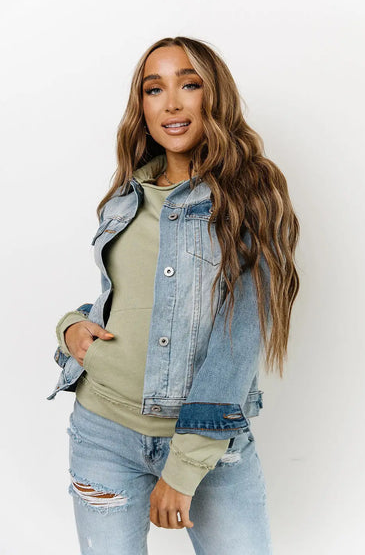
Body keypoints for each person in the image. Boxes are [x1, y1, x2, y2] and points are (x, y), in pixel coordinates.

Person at [48, 36, 300, 555]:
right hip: (102, 433)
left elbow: (238, 342)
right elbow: (129, 299)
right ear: (142, 107)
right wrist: (72, 326)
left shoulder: (249, 198)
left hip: (206, 444)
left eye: (189, 84)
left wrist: (183, 469)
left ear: (214, 95)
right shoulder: (127, 196)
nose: (172, 103)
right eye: (154, 89)